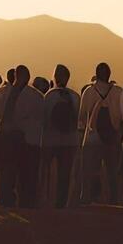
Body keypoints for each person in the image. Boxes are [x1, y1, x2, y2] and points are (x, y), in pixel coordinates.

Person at [0, 65, 43, 207]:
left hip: (17, 140)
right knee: (17, 175)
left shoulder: (0, 94)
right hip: (19, 140)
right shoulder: (36, 95)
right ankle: (17, 203)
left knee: (15, 174)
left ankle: (13, 202)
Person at [78, 63, 123, 205]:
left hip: (92, 137)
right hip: (112, 136)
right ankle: (113, 199)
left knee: (89, 170)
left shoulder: (88, 91)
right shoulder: (118, 91)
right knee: (112, 171)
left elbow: (81, 117)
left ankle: (87, 197)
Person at [41, 65, 82, 208]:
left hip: (50, 140)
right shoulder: (75, 96)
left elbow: (44, 119)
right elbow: (79, 119)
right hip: (69, 141)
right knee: (64, 175)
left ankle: (43, 200)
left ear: (55, 77)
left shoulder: (49, 96)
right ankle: (61, 203)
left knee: (45, 172)